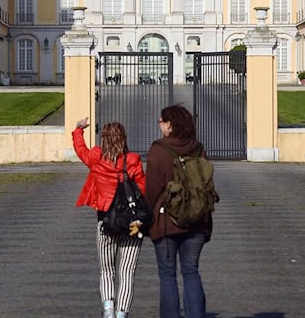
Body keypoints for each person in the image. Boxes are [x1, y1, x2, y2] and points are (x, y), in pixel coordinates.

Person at [73, 116, 146, 318]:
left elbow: (81, 151)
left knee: (106, 270)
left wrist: (79, 129)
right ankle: (122, 314)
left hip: (105, 221)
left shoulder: (96, 158)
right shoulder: (132, 160)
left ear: (103, 139)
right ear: (123, 139)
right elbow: (143, 190)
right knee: (127, 272)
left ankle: (108, 311)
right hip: (132, 224)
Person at [144, 105, 212, 318]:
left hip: (167, 221)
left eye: (161, 121)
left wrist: (145, 217)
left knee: (168, 274)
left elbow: (152, 189)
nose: (159, 125)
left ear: (169, 124)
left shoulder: (158, 150)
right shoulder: (198, 148)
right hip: (197, 219)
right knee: (191, 271)